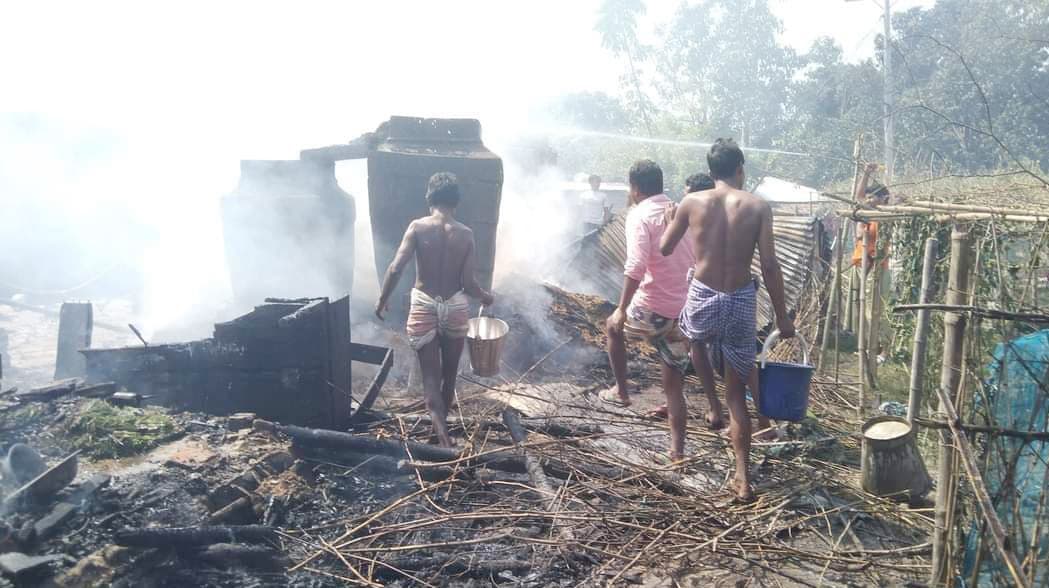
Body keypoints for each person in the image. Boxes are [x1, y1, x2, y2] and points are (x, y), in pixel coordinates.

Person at [660, 138, 796, 502]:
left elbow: (665, 248)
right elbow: (769, 264)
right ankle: (742, 478)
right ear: (740, 169)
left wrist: (675, 220)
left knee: (693, 338)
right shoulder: (757, 206)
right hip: (738, 298)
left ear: (710, 172)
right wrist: (783, 318)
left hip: (703, 294)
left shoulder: (692, 202)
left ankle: (711, 404)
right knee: (738, 394)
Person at [601, 159, 717, 462]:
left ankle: (621, 392)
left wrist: (622, 308)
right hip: (684, 312)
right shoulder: (682, 210)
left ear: (635, 188)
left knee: (612, 327)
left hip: (652, 309)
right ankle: (677, 451)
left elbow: (636, 265)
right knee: (673, 386)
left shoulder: (639, 215)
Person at [375, 172, 494, 448]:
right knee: (449, 376)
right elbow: (468, 283)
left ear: (430, 197)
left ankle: (444, 441)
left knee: (430, 377)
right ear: (456, 202)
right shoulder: (466, 234)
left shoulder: (417, 227)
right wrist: (486, 297)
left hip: (424, 306)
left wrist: (383, 299)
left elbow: (395, 268)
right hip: (455, 306)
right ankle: (439, 433)